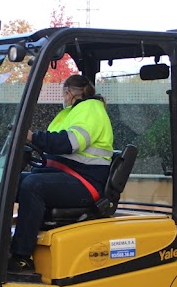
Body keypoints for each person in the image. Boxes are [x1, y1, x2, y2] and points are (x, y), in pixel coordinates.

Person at [8, 74, 114, 274]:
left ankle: (21, 257)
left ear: (68, 92)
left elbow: (69, 143)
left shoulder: (91, 109)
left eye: (64, 94)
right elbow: (53, 143)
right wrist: (35, 142)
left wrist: (32, 137)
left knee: (33, 186)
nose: (63, 98)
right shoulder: (70, 113)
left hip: (85, 181)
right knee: (7, 182)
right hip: (66, 174)